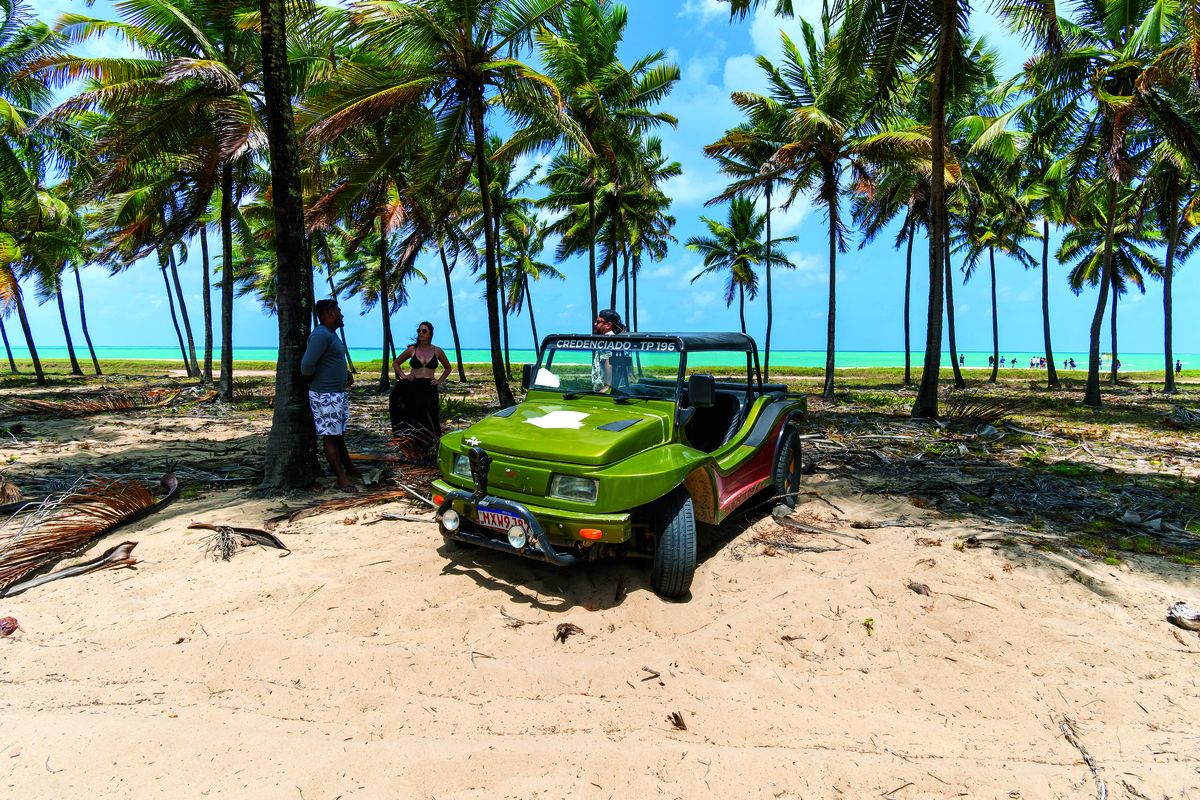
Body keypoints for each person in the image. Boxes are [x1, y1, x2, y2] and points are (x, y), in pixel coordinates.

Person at [301, 299, 359, 493]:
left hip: (337, 393)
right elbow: (307, 365)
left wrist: (345, 374)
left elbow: (332, 359)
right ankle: (341, 478)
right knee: (331, 437)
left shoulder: (330, 334)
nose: (342, 315)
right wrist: (313, 382)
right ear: (330, 313)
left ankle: (349, 468)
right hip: (326, 395)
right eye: (339, 311)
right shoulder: (320, 335)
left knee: (338, 434)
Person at [392, 321, 451, 442]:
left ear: (430, 334)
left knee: (431, 416)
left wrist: (439, 381)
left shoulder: (437, 350)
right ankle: (412, 444)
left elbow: (448, 367)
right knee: (413, 415)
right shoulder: (412, 349)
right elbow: (396, 363)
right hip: (413, 387)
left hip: (430, 387)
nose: (420, 333)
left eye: (424, 331)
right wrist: (403, 376)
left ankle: (430, 444)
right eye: (419, 330)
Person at [591, 309, 627, 392]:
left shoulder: (608, 341)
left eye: (598, 322)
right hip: (619, 389)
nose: (595, 324)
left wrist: (607, 386)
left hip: (605, 391)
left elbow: (609, 361)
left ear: (608, 325)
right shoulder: (620, 340)